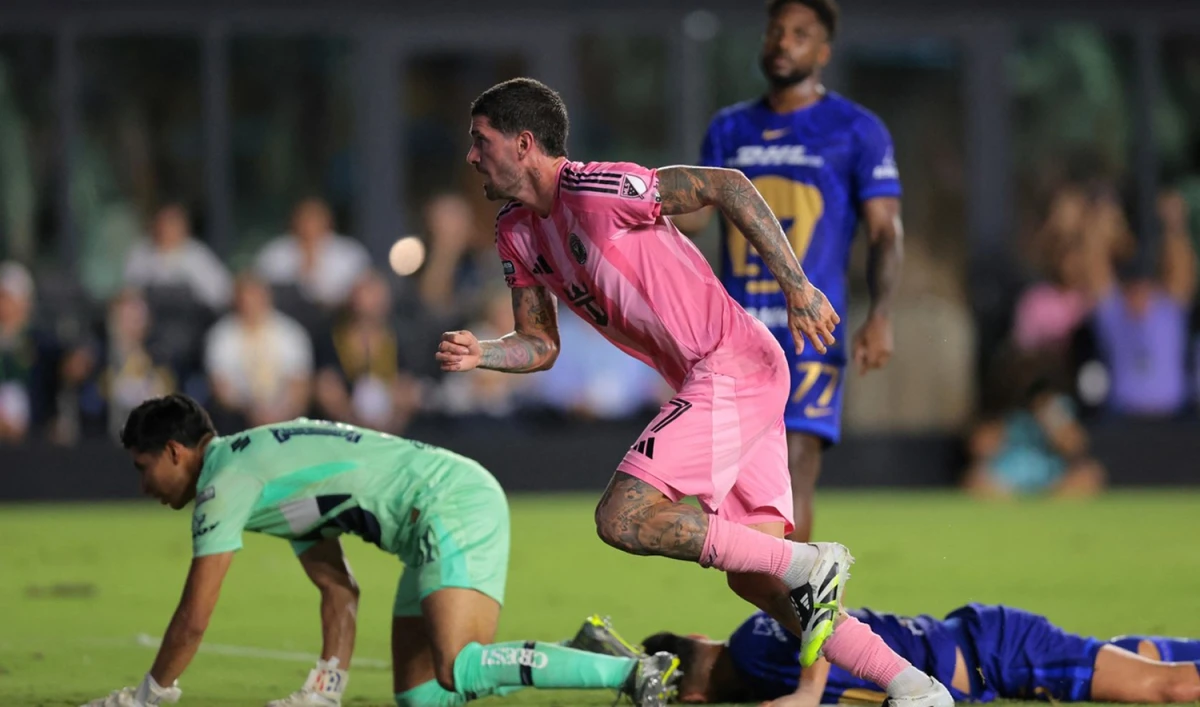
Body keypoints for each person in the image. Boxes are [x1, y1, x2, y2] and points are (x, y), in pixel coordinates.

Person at [436, 76, 951, 707]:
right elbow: (540, 344)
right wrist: (484, 353)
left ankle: (811, 564)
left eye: (479, 140)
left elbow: (727, 186)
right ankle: (915, 687)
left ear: (522, 144)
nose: (470, 155)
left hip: (732, 366)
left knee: (622, 517)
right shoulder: (515, 231)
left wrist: (797, 287)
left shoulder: (595, 189)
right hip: (727, 379)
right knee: (759, 585)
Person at [82, 394, 680, 707]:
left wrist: (148, 695)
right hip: (433, 517)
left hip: (451, 503)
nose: (143, 487)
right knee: (421, 695)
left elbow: (194, 618)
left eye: (143, 468)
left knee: (457, 664)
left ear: (176, 453)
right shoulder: (255, 469)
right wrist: (326, 689)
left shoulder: (222, 481)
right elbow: (337, 588)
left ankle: (633, 672)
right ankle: (579, 651)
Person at [671, 0, 904, 544]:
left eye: (800, 35)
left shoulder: (857, 130)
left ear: (822, 53)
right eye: (776, 32)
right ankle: (775, 600)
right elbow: (699, 219)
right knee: (733, 483)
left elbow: (885, 232)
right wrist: (627, 204)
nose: (783, 43)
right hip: (735, 331)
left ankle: (796, 607)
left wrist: (882, 315)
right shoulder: (729, 128)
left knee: (796, 463)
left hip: (811, 329)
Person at [566, 607, 1200, 706]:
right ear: (698, 639)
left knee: (1163, 690)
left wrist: (811, 690)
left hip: (995, 654)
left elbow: (830, 608)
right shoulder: (751, 638)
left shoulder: (760, 656)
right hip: (982, 639)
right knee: (1133, 658)